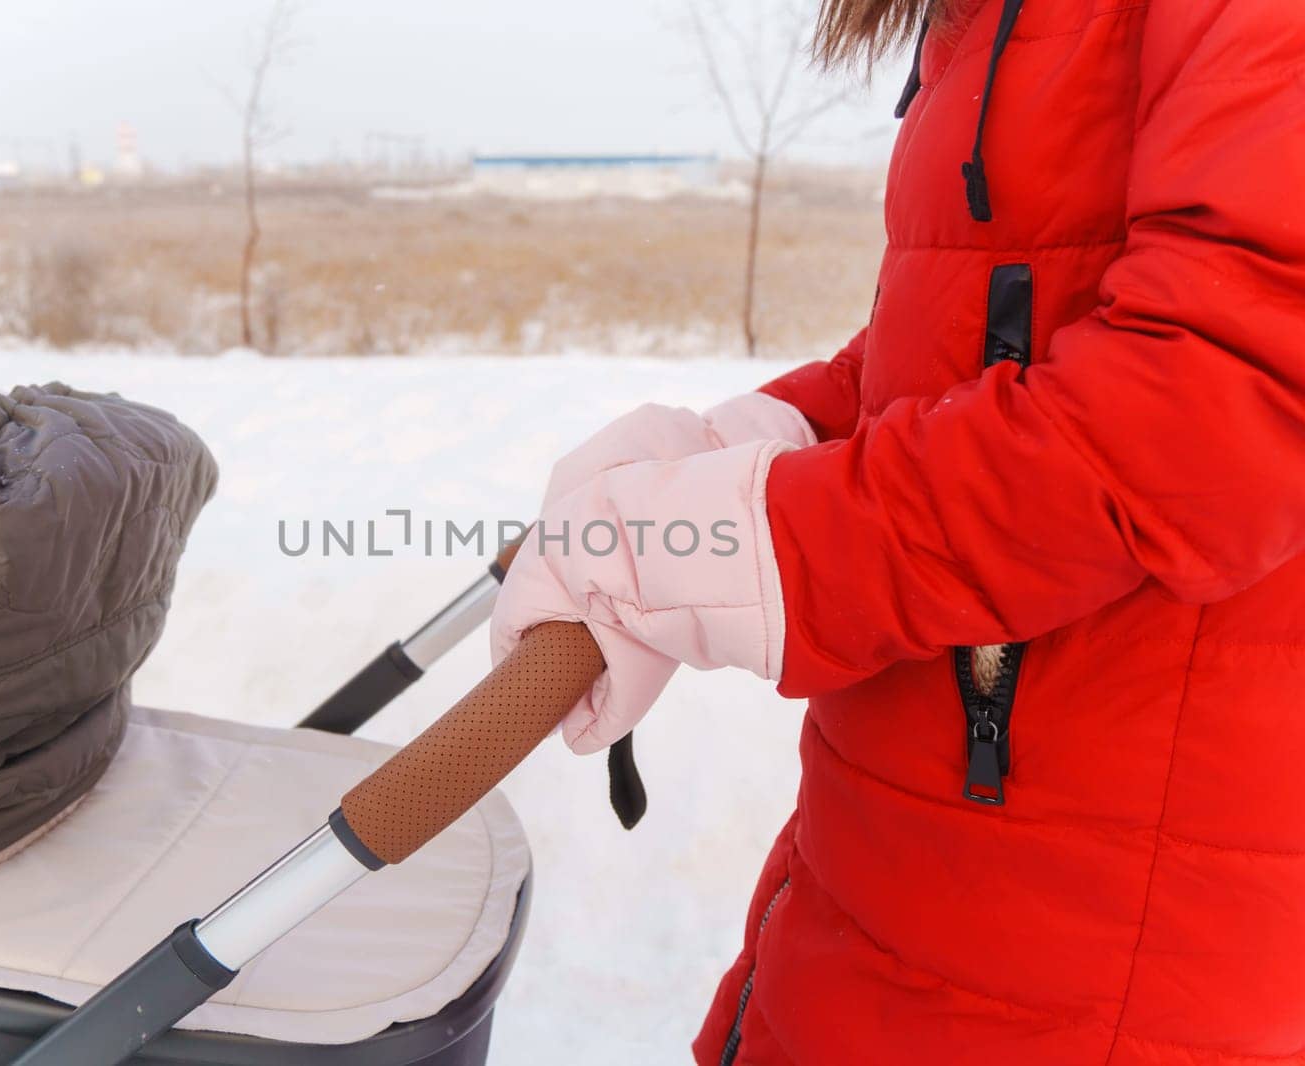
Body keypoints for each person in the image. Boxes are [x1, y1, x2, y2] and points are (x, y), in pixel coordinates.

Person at [490, 0, 1305, 1062]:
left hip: (1090, 949)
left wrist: (730, 548)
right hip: (902, 871)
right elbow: (986, 330)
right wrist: (760, 438)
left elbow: (1210, 417)